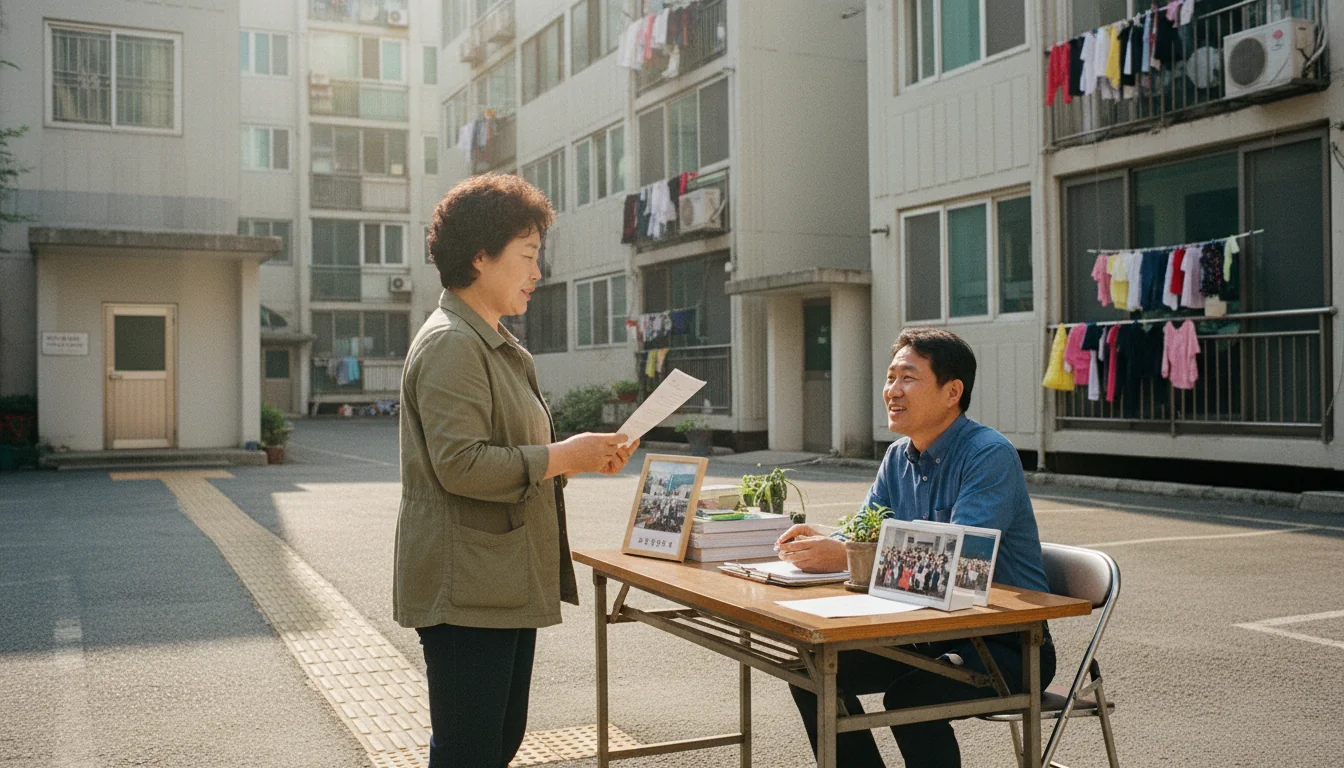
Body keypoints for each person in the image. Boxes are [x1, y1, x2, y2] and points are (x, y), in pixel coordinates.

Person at [393, 173, 639, 767]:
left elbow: (512, 459)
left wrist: (580, 460)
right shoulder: (453, 343)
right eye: (528, 256)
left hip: (496, 581)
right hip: (467, 587)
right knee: (470, 752)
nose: (538, 273)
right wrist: (563, 456)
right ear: (480, 257)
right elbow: (461, 465)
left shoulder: (492, 342)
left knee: (494, 744)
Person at [774, 327, 1055, 768]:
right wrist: (828, 541)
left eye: (908, 378)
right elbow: (863, 534)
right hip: (925, 633)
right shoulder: (897, 456)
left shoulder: (988, 454)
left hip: (1007, 644)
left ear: (952, 392)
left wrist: (847, 555)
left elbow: (960, 562)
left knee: (908, 697)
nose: (892, 391)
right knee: (810, 673)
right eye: (890, 378)